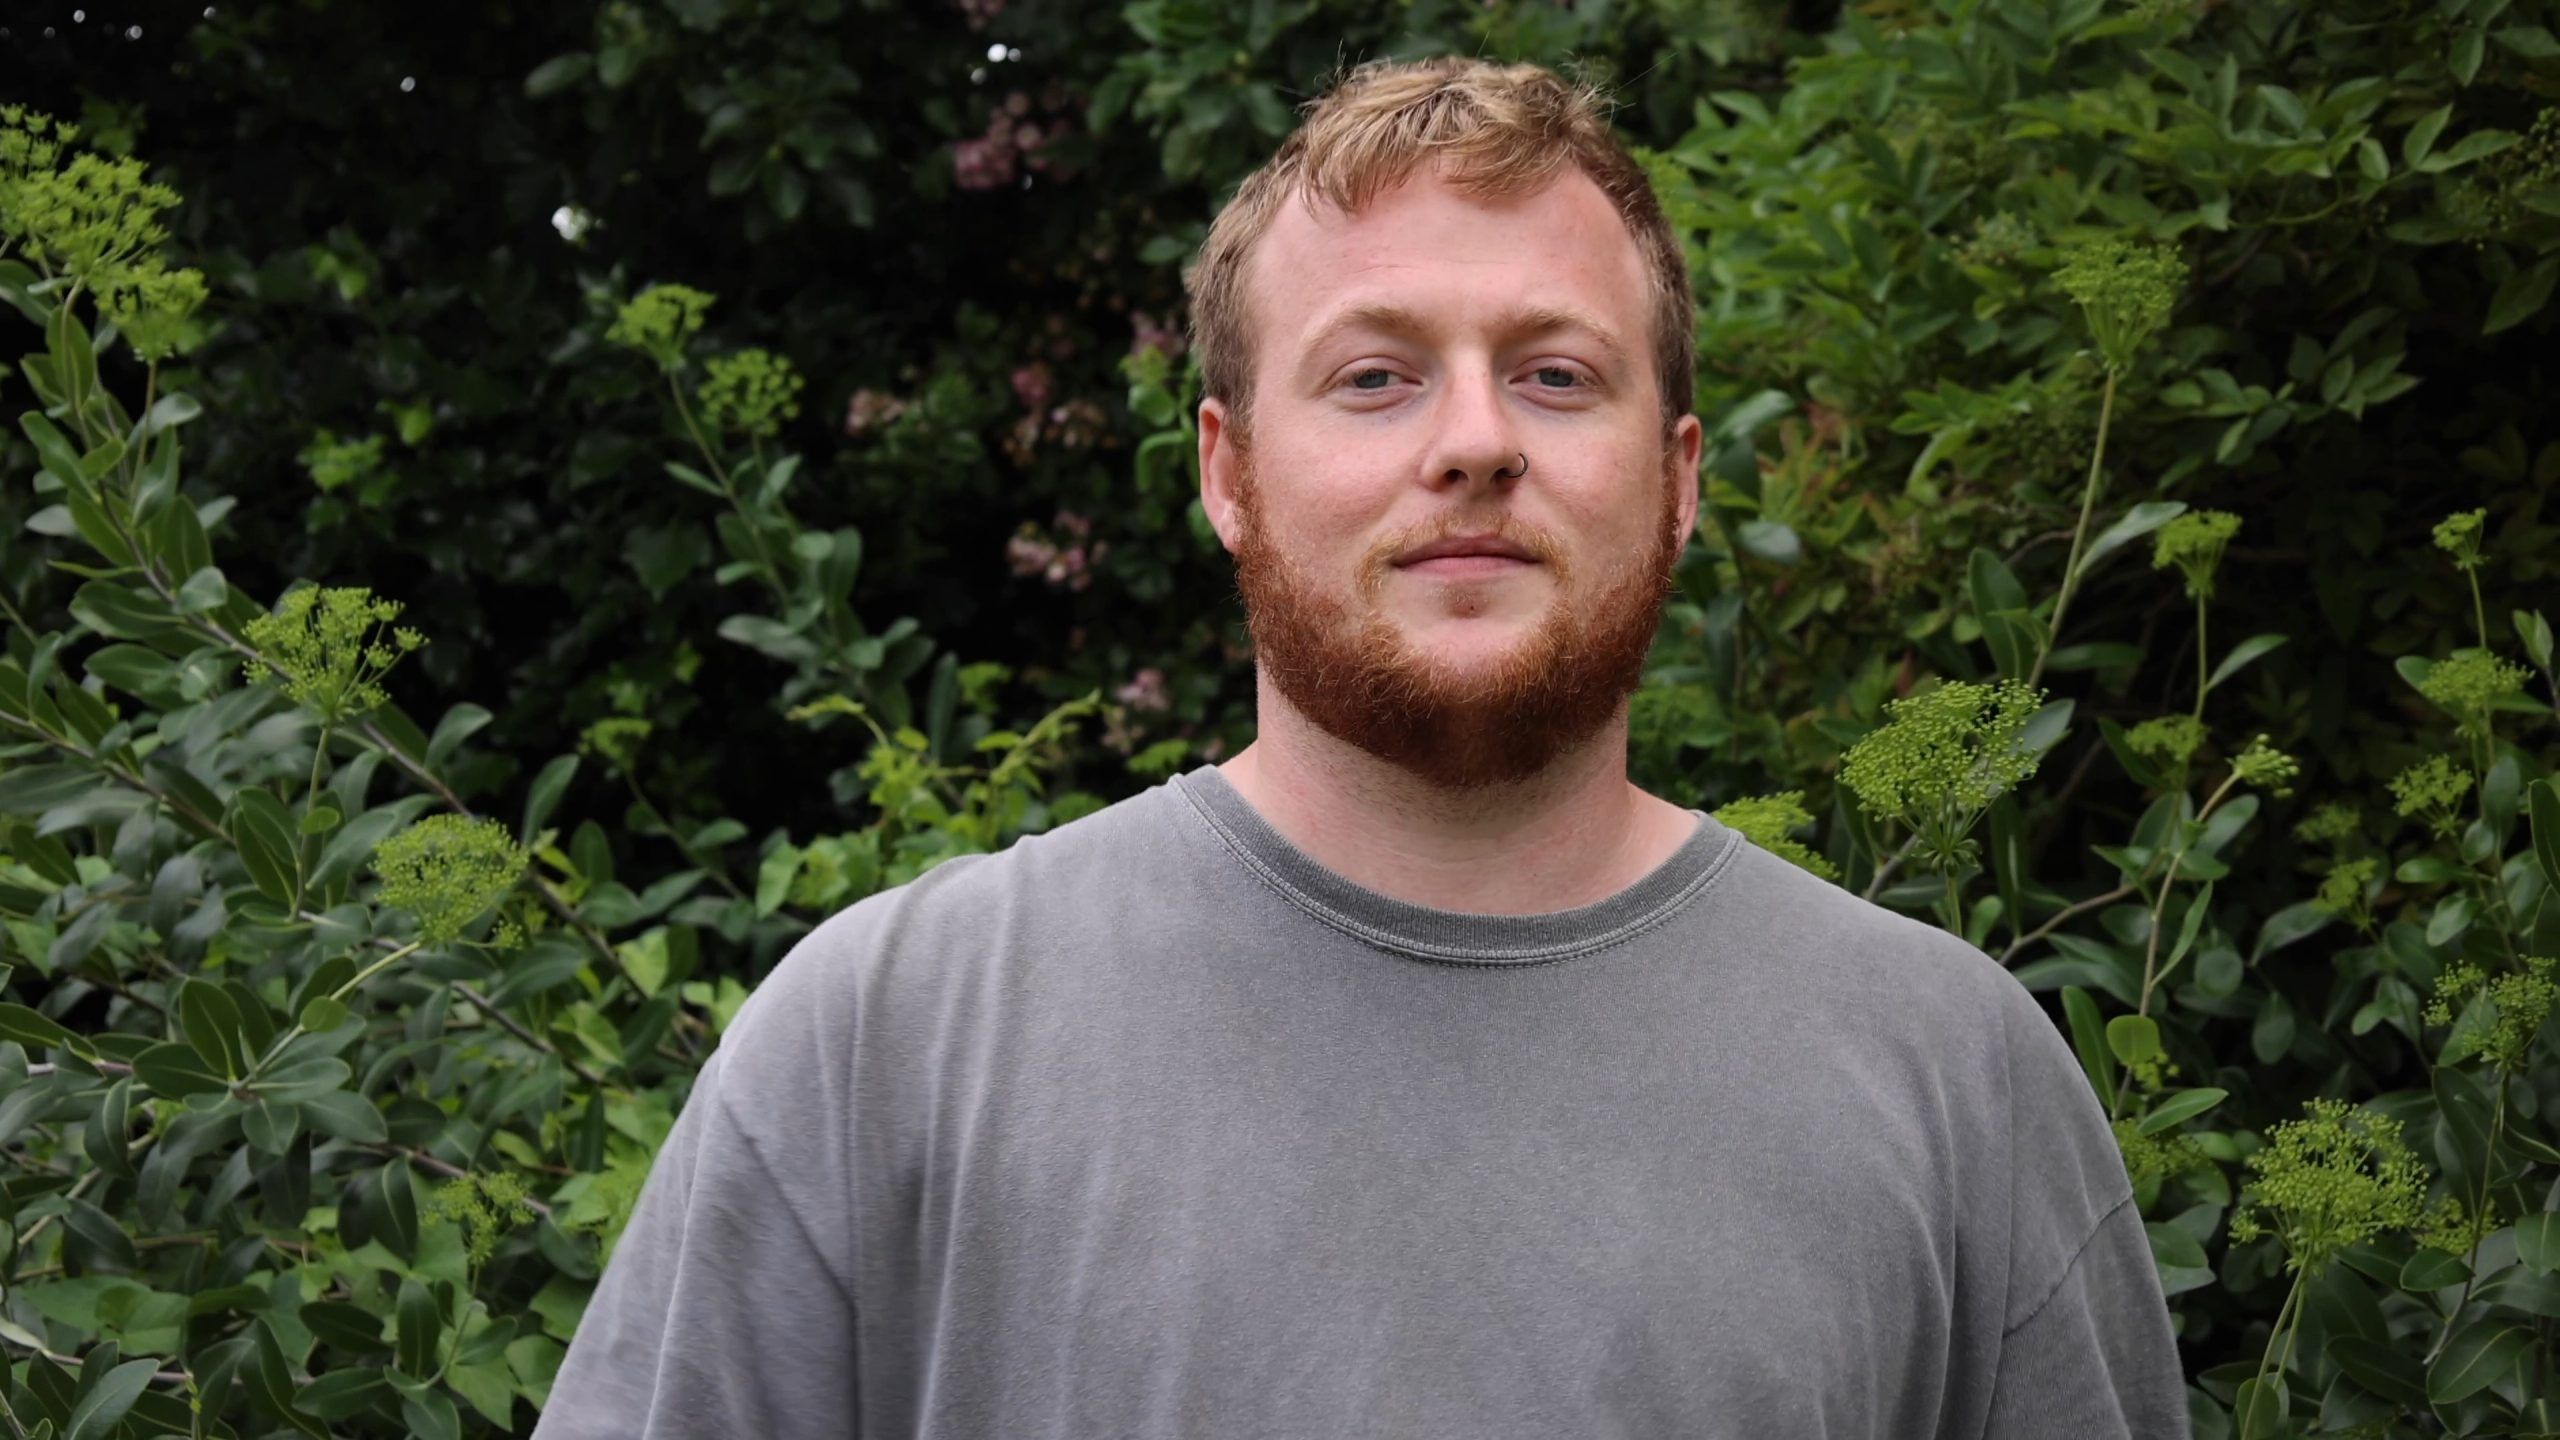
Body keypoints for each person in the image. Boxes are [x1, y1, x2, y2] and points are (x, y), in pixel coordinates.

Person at [532, 55, 2191, 1439]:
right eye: (1377, 377)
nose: (1473, 443)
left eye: (1554, 374)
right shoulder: (884, 1045)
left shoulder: (1958, 1088)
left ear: (1679, 477)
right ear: (1228, 471)